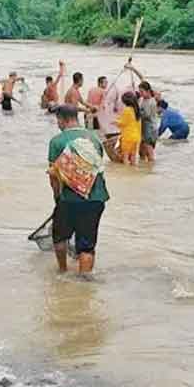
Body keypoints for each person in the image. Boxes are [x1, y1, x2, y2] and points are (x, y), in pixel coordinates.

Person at [47, 104, 110, 274]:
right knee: (87, 245)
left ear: (62, 119)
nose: (58, 124)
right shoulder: (94, 138)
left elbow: (54, 176)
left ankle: (62, 272)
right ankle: (85, 282)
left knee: (59, 237)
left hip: (69, 199)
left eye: (58, 120)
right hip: (96, 198)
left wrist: (57, 198)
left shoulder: (57, 141)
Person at [115, 91, 143, 165]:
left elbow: (122, 123)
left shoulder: (127, 110)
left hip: (128, 137)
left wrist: (114, 122)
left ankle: (127, 173)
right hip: (137, 137)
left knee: (126, 157)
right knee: (133, 156)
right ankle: (133, 172)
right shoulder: (137, 110)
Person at [137, 81, 159, 162]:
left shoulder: (151, 102)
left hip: (150, 129)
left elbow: (146, 115)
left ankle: (151, 169)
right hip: (143, 128)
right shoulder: (142, 100)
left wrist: (137, 113)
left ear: (148, 91)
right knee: (141, 152)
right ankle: (143, 169)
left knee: (149, 152)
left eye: (142, 91)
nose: (140, 93)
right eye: (139, 91)